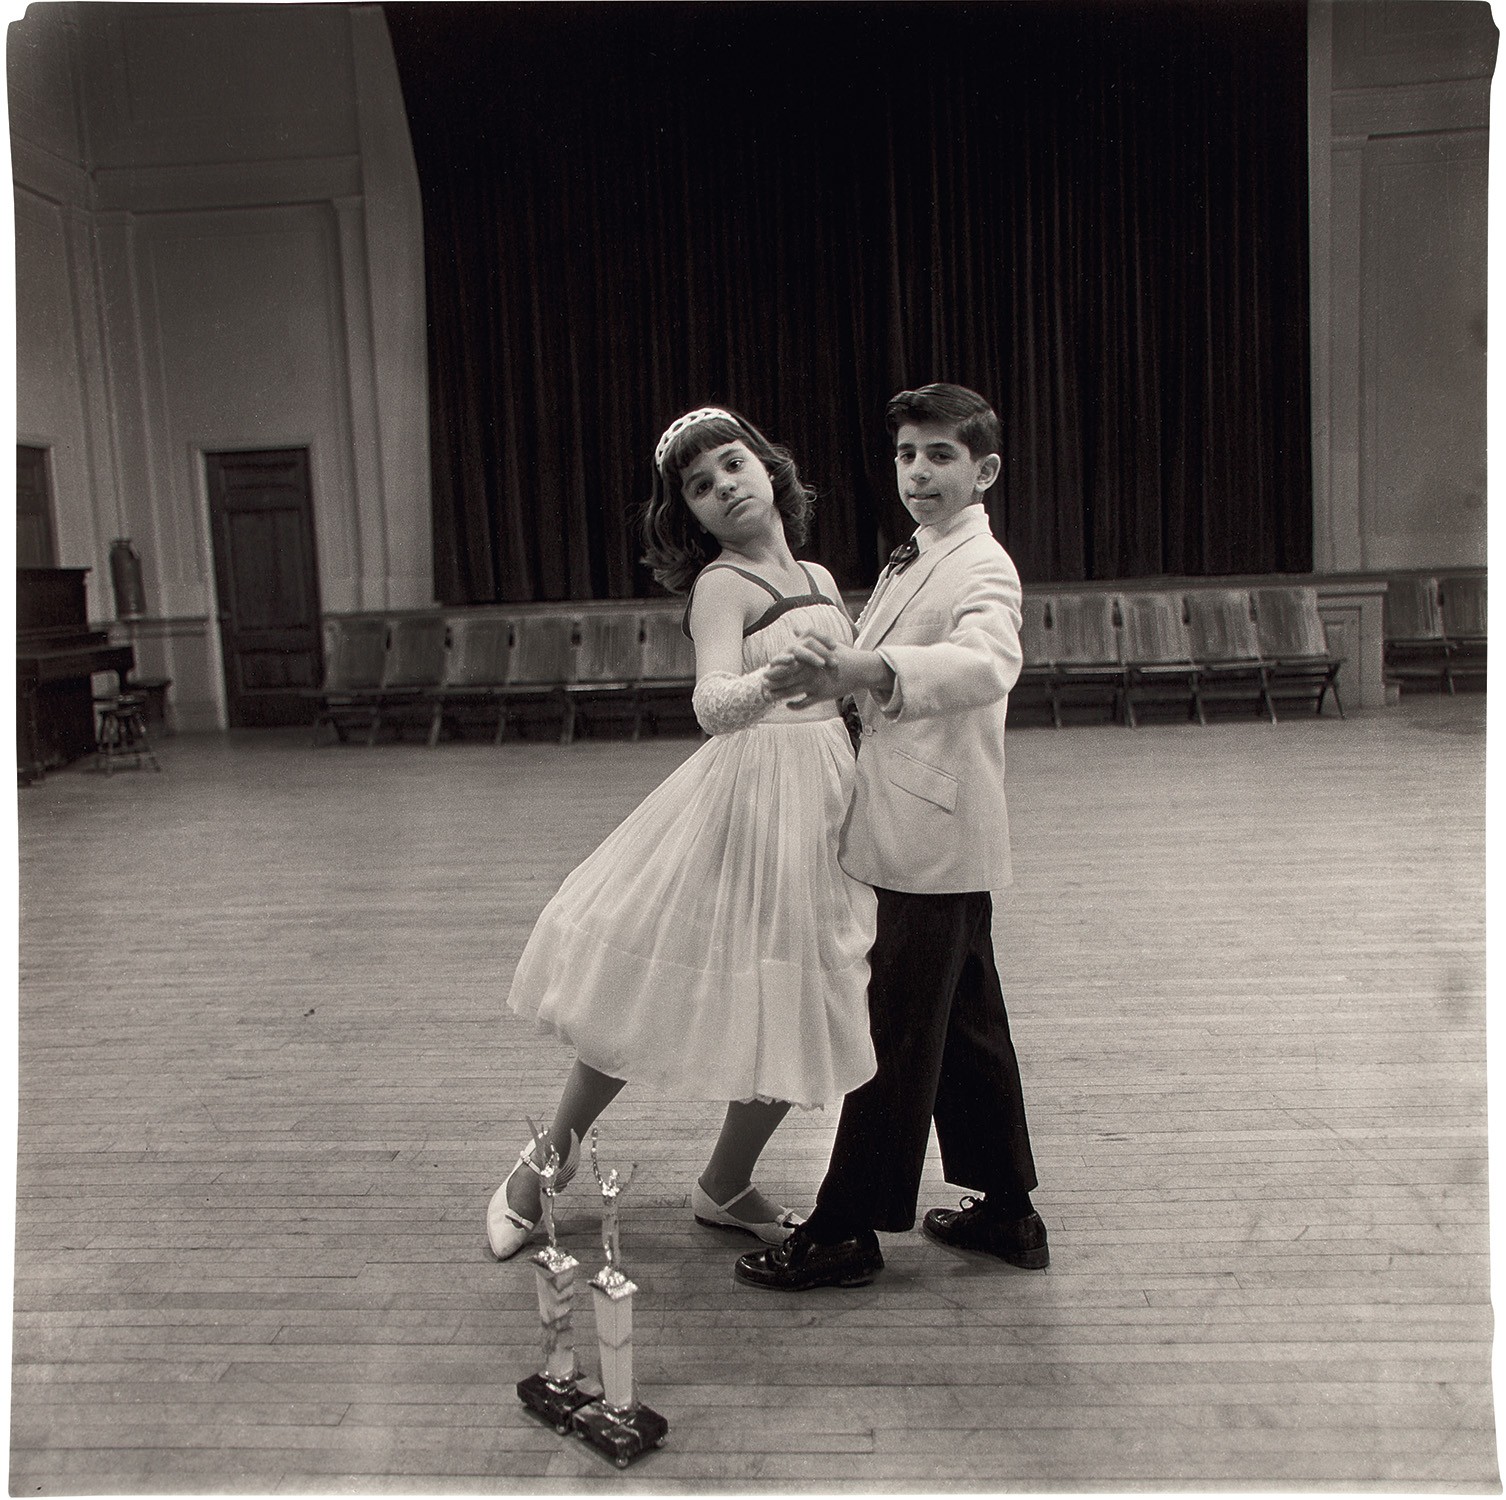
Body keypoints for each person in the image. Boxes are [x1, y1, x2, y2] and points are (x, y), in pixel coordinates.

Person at [487, 407, 878, 1261]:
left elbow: (846, 696)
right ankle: (544, 1161)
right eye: (700, 487)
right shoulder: (723, 585)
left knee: (808, 999)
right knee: (650, 989)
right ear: (691, 515)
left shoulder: (817, 572)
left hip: (824, 803)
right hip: (746, 801)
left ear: (768, 468)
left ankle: (725, 1183)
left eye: (732, 466)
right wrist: (773, 678)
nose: (723, 488)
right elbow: (711, 705)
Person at [736, 382, 1045, 1291]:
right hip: (929, 831)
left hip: (932, 835)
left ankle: (843, 1230)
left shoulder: (983, 565)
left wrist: (871, 666)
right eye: (908, 454)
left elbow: (988, 661)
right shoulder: (921, 557)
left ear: (984, 470)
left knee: (896, 1034)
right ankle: (1009, 1212)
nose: (918, 471)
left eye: (941, 454)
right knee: (965, 1024)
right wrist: (841, 678)